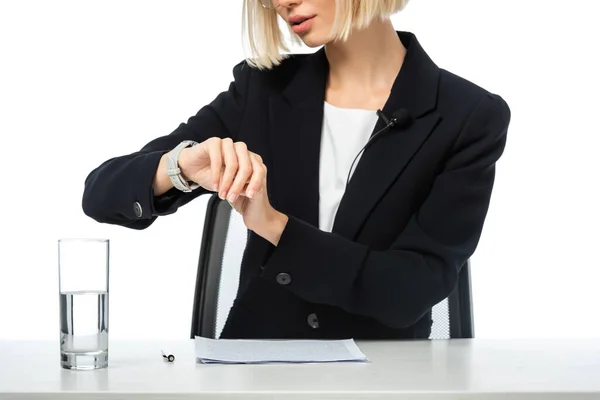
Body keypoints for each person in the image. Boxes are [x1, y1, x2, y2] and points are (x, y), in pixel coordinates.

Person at [83, 0, 511, 340]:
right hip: (255, 372)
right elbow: (101, 194)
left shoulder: (468, 117)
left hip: (383, 376)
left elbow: (412, 290)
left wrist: (276, 227)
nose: (282, 2)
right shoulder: (263, 89)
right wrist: (179, 167)